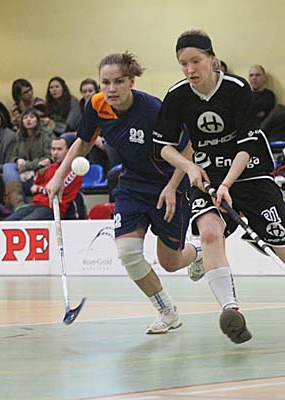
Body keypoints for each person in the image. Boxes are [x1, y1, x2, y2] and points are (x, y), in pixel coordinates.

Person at [153, 29, 285, 344]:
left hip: (251, 174)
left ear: (212, 59)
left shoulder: (236, 89)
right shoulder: (177, 96)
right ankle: (230, 310)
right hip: (208, 176)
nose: (190, 69)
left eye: (196, 61)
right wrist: (190, 167)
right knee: (209, 233)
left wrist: (227, 185)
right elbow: (163, 147)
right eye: (183, 64)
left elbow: (247, 145)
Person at [46, 52, 202, 335]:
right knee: (128, 253)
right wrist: (59, 176)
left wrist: (172, 187)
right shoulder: (97, 105)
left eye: (118, 81)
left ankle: (198, 252)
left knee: (170, 262)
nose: (111, 89)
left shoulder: (153, 110)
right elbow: (83, 141)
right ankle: (167, 311)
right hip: (132, 185)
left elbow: (188, 147)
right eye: (105, 82)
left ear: (131, 81)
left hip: (169, 184)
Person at [6, 137, 81, 220]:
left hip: (53, 208)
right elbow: (34, 187)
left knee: (24, 223)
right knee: (7, 223)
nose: (55, 153)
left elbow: (57, 188)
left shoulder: (74, 170)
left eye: (59, 149)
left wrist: (38, 189)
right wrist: (40, 173)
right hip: (36, 205)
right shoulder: (50, 167)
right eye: (53, 149)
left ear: (68, 151)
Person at [2, 108, 54, 211]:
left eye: (32, 117)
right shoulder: (19, 135)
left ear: (37, 120)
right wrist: (17, 160)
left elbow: (48, 158)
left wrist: (27, 166)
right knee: (7, 167)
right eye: (25, 117)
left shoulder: (46, 134)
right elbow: (13, 156)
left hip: (40, 173)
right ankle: (19, 205)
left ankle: (18, 205)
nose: (28, 120)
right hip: (24, 175)